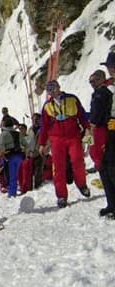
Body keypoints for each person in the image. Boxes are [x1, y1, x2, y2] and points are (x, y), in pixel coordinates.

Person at [38, 80, 90, 208]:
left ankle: (82, 184)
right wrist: (42, 143)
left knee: (78, 160)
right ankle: (61, 195)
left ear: (59, 87)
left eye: (54, 88)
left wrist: (87, 129)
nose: (52, 91)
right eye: (49, 90)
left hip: (73, 136)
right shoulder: (47, 106)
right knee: (58, 166)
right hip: (56, 139)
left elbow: (82, 116)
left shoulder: (72, 99)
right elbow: (44, 126)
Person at [99, 52, 115, 216]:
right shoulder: (110, 86)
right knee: (104, 167)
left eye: (112, 67)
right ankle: (112, 203)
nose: (110, 70)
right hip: (111, 131)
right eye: (109, 67)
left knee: (111, 167)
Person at [88, 70, 111, 173]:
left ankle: (103, 171)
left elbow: (99, 111)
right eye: (91, 81)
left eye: (95, 80)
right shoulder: (97, 93)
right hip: (97, 126)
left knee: (96, 151)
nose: (93, 83)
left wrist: (92, 124)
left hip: (100, 126)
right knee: (94, 150)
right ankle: (101, 169)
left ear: (102, 79)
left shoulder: (103, 93)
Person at [0, 118, 24, 197]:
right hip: (19, 156)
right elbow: (25, 143)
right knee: (20, 175)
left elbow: (1, 148)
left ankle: (12, 193)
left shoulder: (3, 134)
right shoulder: (18, 134)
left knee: (11, 176)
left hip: (9, 157)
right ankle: (23, 189)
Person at [17, 123, 37, 193]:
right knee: (20, 173)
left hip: (28, 157)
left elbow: (29, 146)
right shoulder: (18, 138)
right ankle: (22, 187)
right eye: (19, 129)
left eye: (22, 129)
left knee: (26, 173)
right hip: (20, 157)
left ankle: (26, 188)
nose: (20, 131)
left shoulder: (29, 138)